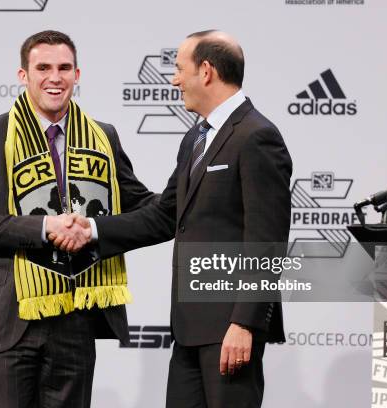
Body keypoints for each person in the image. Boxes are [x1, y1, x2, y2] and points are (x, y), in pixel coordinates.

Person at [51, 30, 292, 407]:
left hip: (230, 326)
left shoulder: (257, 136)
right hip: (189, 327)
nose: (175, 79)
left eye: (180, 69)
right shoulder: (195, 138)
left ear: (207, 71)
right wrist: (93, 228)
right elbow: (166, 216)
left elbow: (268, 240)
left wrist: (245, 323)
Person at [0, 30, 155, 408]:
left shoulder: (103, 137)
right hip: (6, 317)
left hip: (75, 316)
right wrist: (46, 228)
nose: (55, 77)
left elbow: (141, 204)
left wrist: (196, 193)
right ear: (23, 75)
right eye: (43, 67)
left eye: (65, 68)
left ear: (77, 76)